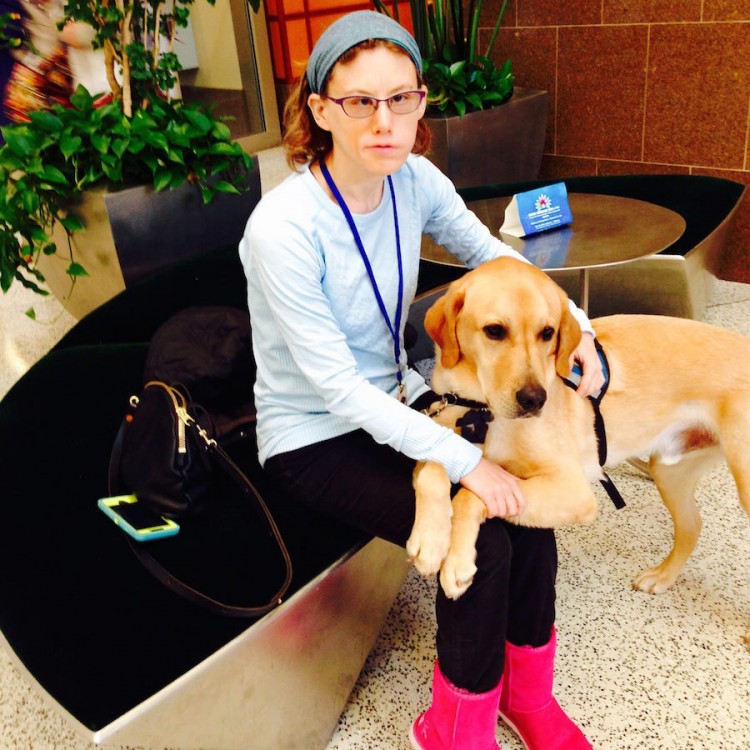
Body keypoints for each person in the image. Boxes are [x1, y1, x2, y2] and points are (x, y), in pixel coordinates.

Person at [239, 11, 603, 749]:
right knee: (493, 535)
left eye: (401, 98)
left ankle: (527, 697)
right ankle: (454, 724)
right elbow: (338, 389)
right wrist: (469, 462)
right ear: (319, 110)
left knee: (524, 506)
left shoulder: (412, 178)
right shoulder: (282, 227)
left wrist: (582, 330)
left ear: (419, 104)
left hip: (404, 397)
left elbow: (494, 256)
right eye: (359, 101)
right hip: (314, 434)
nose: (384, 121)